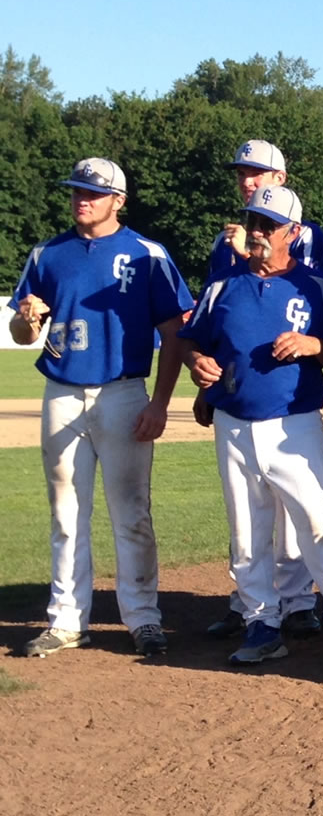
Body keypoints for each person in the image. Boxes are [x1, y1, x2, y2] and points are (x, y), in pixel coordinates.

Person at [12, 158, 193, 658]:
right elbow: (23, 333)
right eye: (75, 191)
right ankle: (67, 621)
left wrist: (160, 402)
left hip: (123, 391)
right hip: (62, 392)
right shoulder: (48, 254)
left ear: (119, 200)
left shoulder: (146, 254)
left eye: (92, 192)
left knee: (132, 511)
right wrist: (28, 321)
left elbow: (174, 331)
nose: (80, 199)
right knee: (66, 512)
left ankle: (143, 619)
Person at [179, 186, 323, 668]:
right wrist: (199, 366)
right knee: (246, 530)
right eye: (253, 222)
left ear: (294, 233)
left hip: (293, 423)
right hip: (234, 424)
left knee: (317, 523)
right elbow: (193, 343)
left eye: (268, 225)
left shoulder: (314, 285)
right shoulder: (223, 284)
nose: (257, 232)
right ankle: (262, 622)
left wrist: (311, 346)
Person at [202, 139, 323, 640]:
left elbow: (309, 287)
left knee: (296, 505)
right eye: (243, 174)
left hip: (288, 394)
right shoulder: (224, 242)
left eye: (259, 173)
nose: (249, 180)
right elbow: (214, 321)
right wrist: (205, 386)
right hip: (237, 388)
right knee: (246, 510)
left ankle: (297, 601)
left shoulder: (306, 236)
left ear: (281, 175)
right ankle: (249, 603)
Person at [206, 140, 323, 279]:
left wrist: (247, 256)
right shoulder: (225, 239)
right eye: (241, 173)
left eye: (257, 173)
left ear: (279, 177)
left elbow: (304, 291)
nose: (247, 182)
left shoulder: (303, 235)